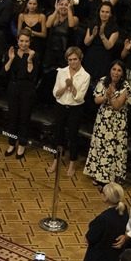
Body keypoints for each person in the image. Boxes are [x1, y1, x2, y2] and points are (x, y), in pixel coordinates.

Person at [83, 61, 131, 186]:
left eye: (119, 70)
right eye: (114, 69)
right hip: (103, 120)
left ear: (123, 73)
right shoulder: (103, 81)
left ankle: (111, 177)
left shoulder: (126, 86)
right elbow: (96, 100)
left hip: (117, 123)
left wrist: (111, 97)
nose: (115, 72)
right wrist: (106, 96)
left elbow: (116, 106)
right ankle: (97, 174)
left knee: (113, 149)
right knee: (100, 146)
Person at [49, 47, 90, 176]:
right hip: (60, 106)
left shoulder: (85, 76)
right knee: (58, 134)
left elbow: (79, 98)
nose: (72, 62)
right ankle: (56, 160)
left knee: (73, 136)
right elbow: (56, 93)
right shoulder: (61, 72)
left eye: (75, 59)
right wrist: (65, 86)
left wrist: (71, 86)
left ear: (80, 59)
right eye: (70, 60)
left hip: (75, 109)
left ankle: (72, 163)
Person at [3, 30, 39, 159]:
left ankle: (22, 144)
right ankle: (12, 143)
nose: (24, 44)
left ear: (30, 42)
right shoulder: (12, 53)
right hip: (13, 88)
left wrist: (29, 60)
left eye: (26, 41)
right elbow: (4, 72)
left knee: (24, 118)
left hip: (27, 90)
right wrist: (11, 59)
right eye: (21, 41)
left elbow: (32, 75)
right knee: (12, 117)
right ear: (17, 41)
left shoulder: (34, 55)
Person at [82, 2, 120, 86]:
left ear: (111, 14)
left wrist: (102, 35)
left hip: (104, 57)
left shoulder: (114, 28)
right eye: (102, 11)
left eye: (107, 12)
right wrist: (93, 35)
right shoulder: (92, 24)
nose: (104, 14)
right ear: (99, 12)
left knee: (99, 84)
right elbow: (86, 42)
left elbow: (109, 46)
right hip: (91, 55)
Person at [42, 0, 79, 73]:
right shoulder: (52, 16)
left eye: (66, 5)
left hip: (64, 52)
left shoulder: (74, 18)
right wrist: (56, 10)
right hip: (51, 50)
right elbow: (48, 25)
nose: (63, 6)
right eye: (61, 4)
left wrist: (69, 9)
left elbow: (71, 25)